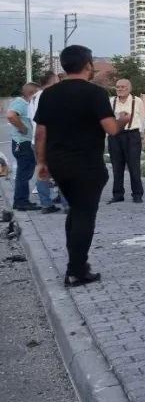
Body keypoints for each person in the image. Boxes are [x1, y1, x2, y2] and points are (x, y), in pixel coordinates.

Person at [34, 45, 130, 287]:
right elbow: (110, 129)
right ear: (88, 65)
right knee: (85, 215)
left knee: (75, 212)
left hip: (59, 164)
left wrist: (42, 162)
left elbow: (41, 132)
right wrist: (123, 120)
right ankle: (77, 270)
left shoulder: (49, 94)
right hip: (86, 165)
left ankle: (75, 265)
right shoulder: (95, 93)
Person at [29, 72, 68, 214]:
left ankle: (46, 204)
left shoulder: (34, 97)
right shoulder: (52, 96)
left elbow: (31, 120)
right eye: (57, 80)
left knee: (42, 172)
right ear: (52, 81)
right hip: (52, 140)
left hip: (36, 140)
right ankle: (67, 204)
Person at [107, 79, 145, 204]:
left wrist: (141, 135)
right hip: (115, 136)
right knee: (117, 166)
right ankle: (118, 194)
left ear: (129, 88)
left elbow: (142, 119)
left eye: (123, 87)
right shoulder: (111, 101)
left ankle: (137, 194)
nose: (120, 89)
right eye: (118, 87)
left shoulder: (137, 101)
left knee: (134, 166)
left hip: (132, 135)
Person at [6, 82, 41, 210]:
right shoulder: (20, 103)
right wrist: (23, 128)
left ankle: (21, 200)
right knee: (24, 173)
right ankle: (21, 202)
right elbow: (10, 115)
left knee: (25, 173)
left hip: (25, 143)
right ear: (30, 93)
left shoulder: (27, 104)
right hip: (23, 144)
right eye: (37, 93)